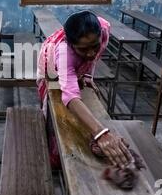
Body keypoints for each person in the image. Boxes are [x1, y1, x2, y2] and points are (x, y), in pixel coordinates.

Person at [37, 10, 132, 169]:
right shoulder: (63, 52)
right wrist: (101, 134)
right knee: (56, 112)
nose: (91, 53)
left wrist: (87, 75)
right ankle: (55, 159)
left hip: (71, 62)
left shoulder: (103, 29)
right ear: (70, 43)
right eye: (83, 49)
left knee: (83, 102)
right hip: (50, 71)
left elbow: (96, 55)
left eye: (94, 46)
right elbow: (70, 97)